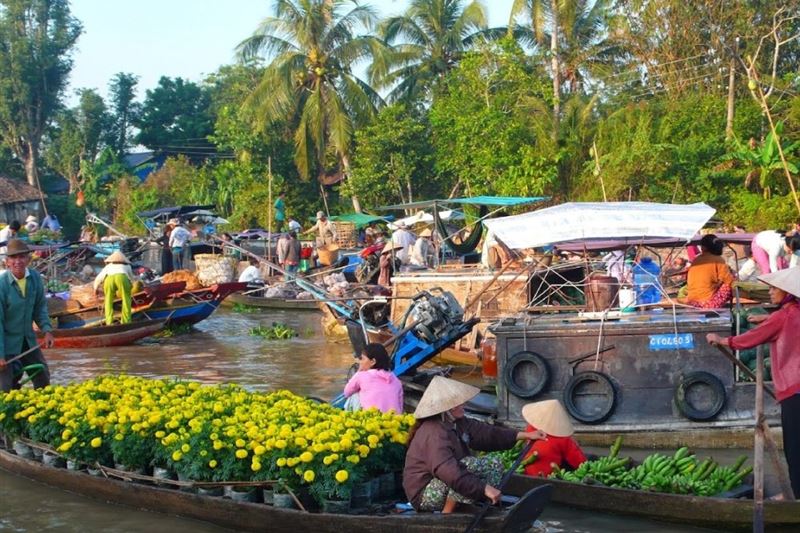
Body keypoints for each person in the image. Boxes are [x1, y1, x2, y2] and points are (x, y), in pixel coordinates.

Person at [706, 268, 800, 498]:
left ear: (787, 293)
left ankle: (798, 498)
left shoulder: (783, 317)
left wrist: (723, 340)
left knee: (795, 449)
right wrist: (767, 319)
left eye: (774, 289)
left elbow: (751, 339)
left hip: (795, 389)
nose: (770, 292)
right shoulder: (789, 314)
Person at [403, 376, 546, 513]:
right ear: (448, 408)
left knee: (495, 463)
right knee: (468, 464)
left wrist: (524, 435)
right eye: (459, 403)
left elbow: (487, 434)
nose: (464, 404)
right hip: (424, 493)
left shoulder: (457, 423)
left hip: (447, 480)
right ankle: (448, 514)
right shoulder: (433, 432)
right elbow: (448, 471)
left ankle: (470, 506)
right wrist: (483, 488)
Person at [0, 240, 54, 392]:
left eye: (22, 257)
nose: (18, 262)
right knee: (5, 387)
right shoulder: (2, 285)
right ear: (7, 262)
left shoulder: (35, 278)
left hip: (27, 340)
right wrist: (0, 355)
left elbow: (40, 308)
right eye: (13, 258)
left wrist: (47, 330)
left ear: (28, 259)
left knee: (42, 376)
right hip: (6, 343)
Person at [519, 399, 587, 477]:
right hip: (550, 475)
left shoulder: (530, 428)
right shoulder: (563, 439)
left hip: (526, 472)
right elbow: (579, 462)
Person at [342, 343, 403, 413]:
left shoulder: (361, 375)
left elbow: (346, 392)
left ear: (373, 362)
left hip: (371, 420)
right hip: (394, 421)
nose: (360, 362)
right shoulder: (395, 379)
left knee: (354, 396)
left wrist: (359, 371)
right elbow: (400, 407)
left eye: (362, 359)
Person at [684, 234, 734, 308]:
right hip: (707, 302)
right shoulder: (718, 259)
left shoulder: (696, 259)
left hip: (692, 301)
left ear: (702, 247)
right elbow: (728, 280)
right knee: (730, 285)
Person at [93, 251, 136, 325]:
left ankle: (109, 322)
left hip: (109, 279)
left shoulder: (108, 266)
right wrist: (132, 285)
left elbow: (99, 278)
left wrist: (95, 288)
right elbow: (132, 279)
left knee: (108, 300)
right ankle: (126, 321)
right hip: (122, 277)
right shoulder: (127, 266)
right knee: (126, 299)